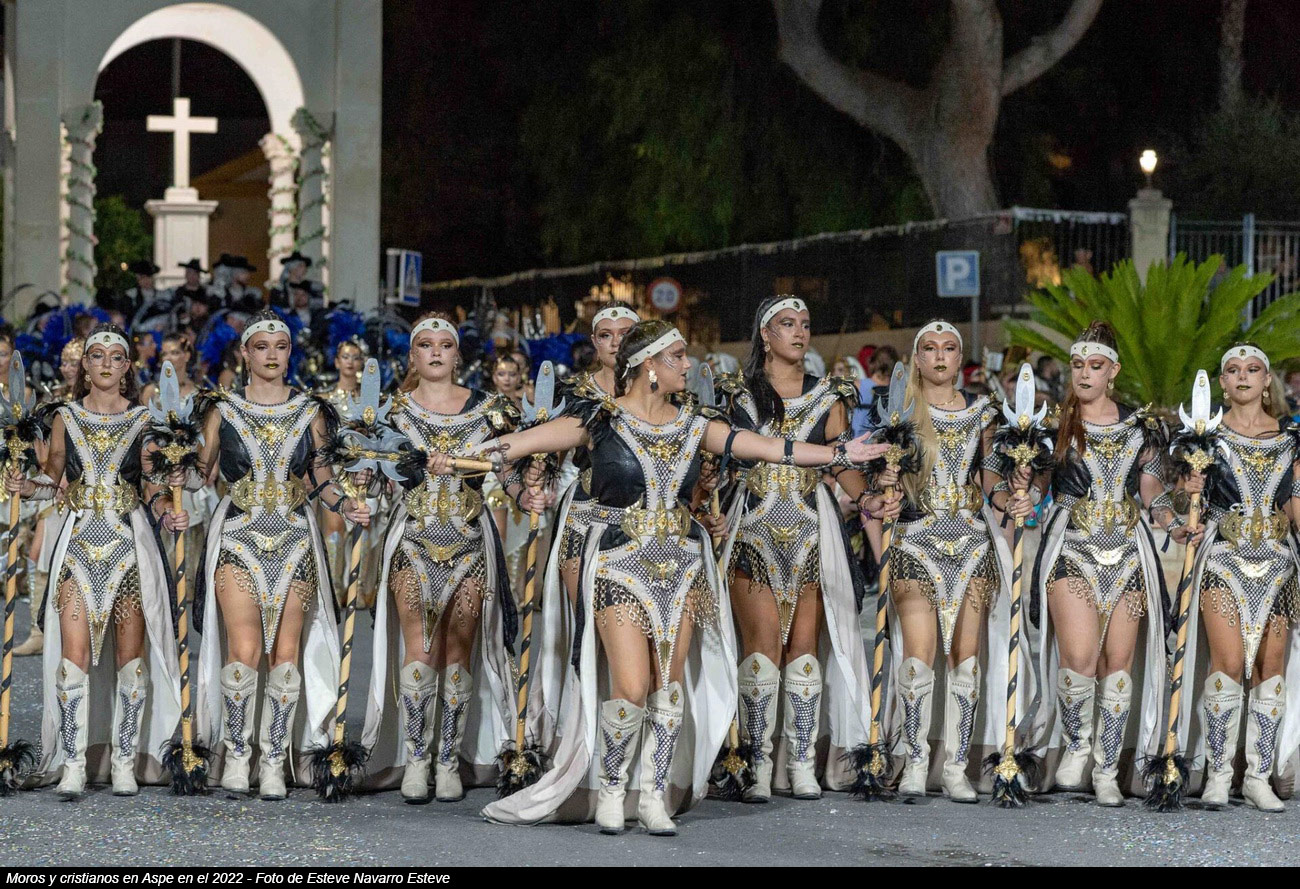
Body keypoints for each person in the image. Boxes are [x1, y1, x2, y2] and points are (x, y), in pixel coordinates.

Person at [478, 319, 886, 835]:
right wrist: (465, 461)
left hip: (681, 569)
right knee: (631, 684)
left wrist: (839, 454)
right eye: (677, 356)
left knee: (668, 688)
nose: (688, 365)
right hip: (618, 565)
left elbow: (769, 448)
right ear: (648, 365)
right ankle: (611, 789)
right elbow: (513, 446)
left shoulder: (695, 425)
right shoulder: (600, 419)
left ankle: (653, 795)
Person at [192, 309, 370, 800]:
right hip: (238, 537)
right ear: (244, 353)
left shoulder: (311, 410)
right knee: (244, 649)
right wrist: (169, 471)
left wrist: (347, 504)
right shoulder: (221, 408)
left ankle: (274, 760)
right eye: (261, 346)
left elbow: (321, 479)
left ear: (290, 352)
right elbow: (198, 473)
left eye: (281, 346)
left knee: (285, 653)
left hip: (294, 540)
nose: (271, 355)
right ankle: (237, 754)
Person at [11, 324, 184, 798]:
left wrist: (167, 512)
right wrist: (26, 486)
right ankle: (73, 763)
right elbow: (52, 479)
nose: (106, 363)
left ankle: (124, 761)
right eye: (97, 355)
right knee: (74, 658)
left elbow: (153, 486)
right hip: (79, 545)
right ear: (85, 365)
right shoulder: (64, 417)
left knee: (131, 660)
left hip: (129, 547)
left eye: (116, 356)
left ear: (127, 367)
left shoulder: (145, 419)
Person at [718, 296, 877, 801]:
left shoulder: (830, 394)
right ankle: (757, 764)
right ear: (765, 335)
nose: (799, 333)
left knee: (803, 648)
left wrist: (868, 498)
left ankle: (802, 761)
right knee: (762, 647)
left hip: (812, 531)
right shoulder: (734, 393)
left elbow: (840, 462)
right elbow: (717, 461)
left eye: (805, 324)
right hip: (751, 529)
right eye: (787, 324)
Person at [361, 316, 521, 803]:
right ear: (412, 356)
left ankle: (448, 759)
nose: (435, 352)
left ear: (457, 355)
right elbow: (373, 475)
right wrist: (360, 486)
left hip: (470, 542)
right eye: (426, 345)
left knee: (458, 650)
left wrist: (528, 492)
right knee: (420, 647)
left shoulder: (489, 410)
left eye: (445, 345)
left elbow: (509, 472)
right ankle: (416, 759)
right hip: (413, 541)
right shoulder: (390, 413)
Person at [869, 321, 1021, 802]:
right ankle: (915, 763)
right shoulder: (899, 412)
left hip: (972, 546)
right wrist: (884, 487)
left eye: (949, 348)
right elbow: (878, 483)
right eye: (930, 348)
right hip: (915, 542)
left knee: (966, 660)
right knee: (918, 656)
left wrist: (1012, 499)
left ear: (960, 358)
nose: (940, 356)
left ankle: (956, 768)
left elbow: (991, 481)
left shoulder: (983, 412)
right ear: (917, 359)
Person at [1025, 321, 1175, 807]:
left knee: (1117, 664)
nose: (1084, 374)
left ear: (1113, 371)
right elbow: (1036, 487)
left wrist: (1174, 520)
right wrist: (1021, 498)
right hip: (1071, 548)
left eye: (1094, 366)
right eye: (1077, 365)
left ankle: (1107, 767)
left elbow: (1152, 492)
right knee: (1080, 657)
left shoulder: (1142, 427)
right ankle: (1076, 747)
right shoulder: (1052, 428)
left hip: (1128, 554)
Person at [1180, 345, 1300, 812]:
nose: (1243, 377)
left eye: (1253, 370)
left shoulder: (1292, 439)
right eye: (1233, 371)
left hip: (1277, 565)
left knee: (1271, 670)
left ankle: (1257, 777)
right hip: (1223, 561)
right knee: (1228, 663)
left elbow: (1294, 505)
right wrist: (1187, 491)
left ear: (1267, 381)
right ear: (1222, 383)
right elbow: (1178, 503)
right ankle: (1218, 774)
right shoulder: (1204, 438)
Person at [12, 338, 84, 658]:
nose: (67, 369)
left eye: (74, 363)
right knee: (38, 555)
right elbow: (45, 448)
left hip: (82, 493)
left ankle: (67, 631)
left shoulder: (92, 403)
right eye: (64, 362)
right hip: (52, 488)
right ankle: (38, 630)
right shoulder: (52, 399)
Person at [850, 345, 899, 439]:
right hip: (885, 443)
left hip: (857, 442)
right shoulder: (897, 392)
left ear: (872, 363)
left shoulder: (857, 386)